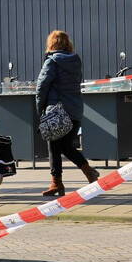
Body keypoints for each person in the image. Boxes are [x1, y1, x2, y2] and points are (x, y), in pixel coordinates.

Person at [36, 30, 99, 197]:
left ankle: (57, 182)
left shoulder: (52, 62)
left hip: (56, 111)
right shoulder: (75, 61)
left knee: (54, 146)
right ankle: (87, 172)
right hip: (75, 110)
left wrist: (39, 109)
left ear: (51, 44)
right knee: (65, 146)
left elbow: (41, 87)